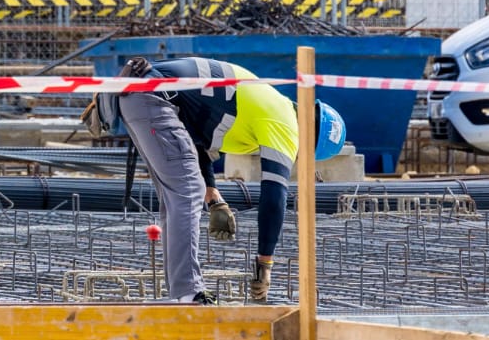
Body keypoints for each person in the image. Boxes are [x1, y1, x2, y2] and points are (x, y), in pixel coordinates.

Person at [105, 55, 347, 304]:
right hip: (154, 97)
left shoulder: (268, 102)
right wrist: (265, 264)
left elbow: (197, 140)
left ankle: (181, 293)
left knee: (177, 194)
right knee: (187, 192)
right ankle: (189, 293)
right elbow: (274, 199)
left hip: (146, 95)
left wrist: (213, 197)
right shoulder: (287, 126)